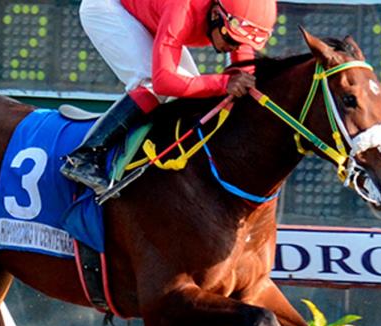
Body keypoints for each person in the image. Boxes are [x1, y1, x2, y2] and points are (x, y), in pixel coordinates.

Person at [60, 0, 277, 195]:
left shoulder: (238, 19)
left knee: (192, 96)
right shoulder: (182, 8)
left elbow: (243, 72)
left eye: (241, 43)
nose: (233, 47)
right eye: (231, 39)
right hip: (109, 7)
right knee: (153, 86)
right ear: (215, 15)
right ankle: (83, 158)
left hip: (149, 15)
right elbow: (165, 81)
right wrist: (223, 83)